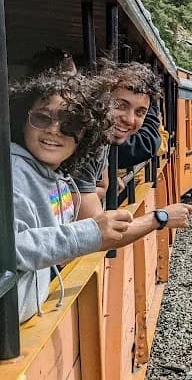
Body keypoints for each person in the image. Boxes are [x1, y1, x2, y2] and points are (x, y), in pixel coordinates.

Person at [10, 70, 134, 322]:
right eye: (42, 118)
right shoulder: (12, 172)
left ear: (84, 136)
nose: (54, 130)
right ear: (23, 121)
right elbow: (10, 248)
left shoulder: (55, 177)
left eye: (70, 124)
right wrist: (89, 232)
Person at [75, 61, 192, 229]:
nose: (129, 120)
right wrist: (161, 218)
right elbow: (97, 234)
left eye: (140, 112)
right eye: (120, 105)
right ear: (100, 96)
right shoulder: (82, 144)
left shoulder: (101, 143)